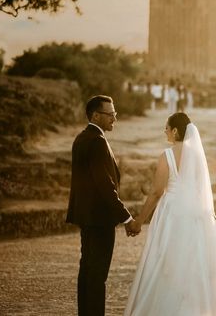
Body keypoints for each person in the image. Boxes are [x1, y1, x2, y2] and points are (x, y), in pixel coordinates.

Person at [124, 113, 216, 315]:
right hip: (194, 212)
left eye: (166, 128)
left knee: (168, 261)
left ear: (175, 131)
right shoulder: (196, 155)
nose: (165, 131)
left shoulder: (167, 155)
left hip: (172, 212)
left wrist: (139, 221)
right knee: (197, 260)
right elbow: (199, 187)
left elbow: (157, 192)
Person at [66, 95, 138, 316]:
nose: (114, 118)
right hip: (99, 218)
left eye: (115, 114)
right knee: (97, 275)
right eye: (110, 114)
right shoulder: (97, 141)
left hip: (87, 216)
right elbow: (104, 184)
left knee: (87, 270)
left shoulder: (81, 137)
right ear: (96, 115)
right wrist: (127, 217)